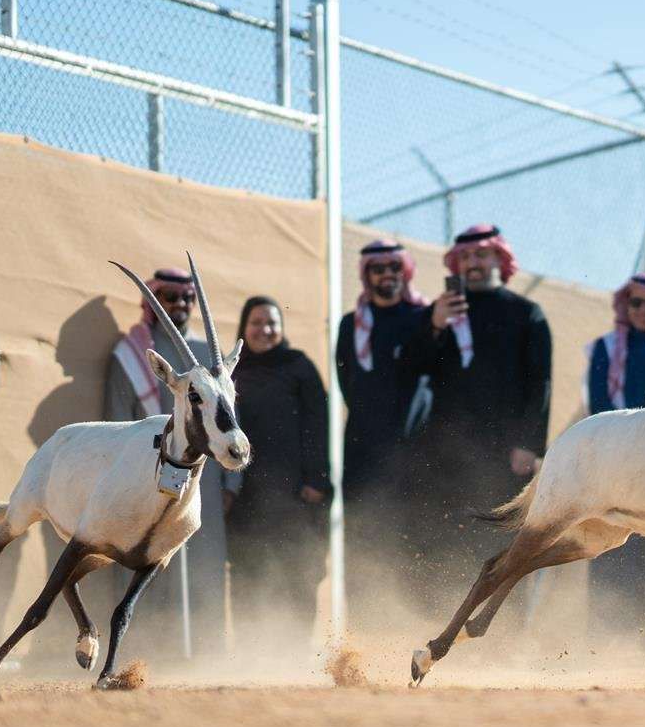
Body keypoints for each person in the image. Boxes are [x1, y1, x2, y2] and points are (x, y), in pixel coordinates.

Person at [401, 224, 552, 618]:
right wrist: (434, 325)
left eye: (481, 255)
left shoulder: (526, 314)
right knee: (444, 539)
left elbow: (541, 384)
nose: (472, 263)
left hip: (505, 456)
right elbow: (410, 368)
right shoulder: (443, 312)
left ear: (499, 260)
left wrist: (530, 444)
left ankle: (503, 632)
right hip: (446, 454)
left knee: (505, 543)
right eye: (465, 257)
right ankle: (438, 624)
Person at [104, 265, 228, 661]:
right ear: (154, 302)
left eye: (187, 298)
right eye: (171, 298)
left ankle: (205, 659)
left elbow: (228, 421)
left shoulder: (211, 356)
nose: (181, 305)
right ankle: (147, 657)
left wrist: (232, 484)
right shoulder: (131, 356)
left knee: (203, 568)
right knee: (149, 567)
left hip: (204, 483)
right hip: (147, 479)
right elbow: (119, 425)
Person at [223, 296, 331, 663]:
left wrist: (317, 479)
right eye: (256, 323)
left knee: (299, 569)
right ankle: (250, 654)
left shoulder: (299, 367)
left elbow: (319, 424)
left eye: (271, 323)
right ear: (243, 328)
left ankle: (296, 652)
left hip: (297, 495)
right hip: (247, 496)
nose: (264, 330)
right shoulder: (229, 373)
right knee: (247, 572)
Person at [335, 240, 431, 629]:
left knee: (414, 546)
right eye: (379, 269)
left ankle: (415, 636)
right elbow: (348, 386)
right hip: (364, 454)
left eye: (394, 267)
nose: (387, 275)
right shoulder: (351, 325)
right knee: (362, 542)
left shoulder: (425, 319)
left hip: (416, 458)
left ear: (404, 272)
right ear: (367, 274)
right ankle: (364, 640)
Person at [585, 272, 645, 647]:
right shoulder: (605, 349)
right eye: (635, 303)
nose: (643, 310)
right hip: (615, 466)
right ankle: (605, 638)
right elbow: (599, 409)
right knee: (609, 545)